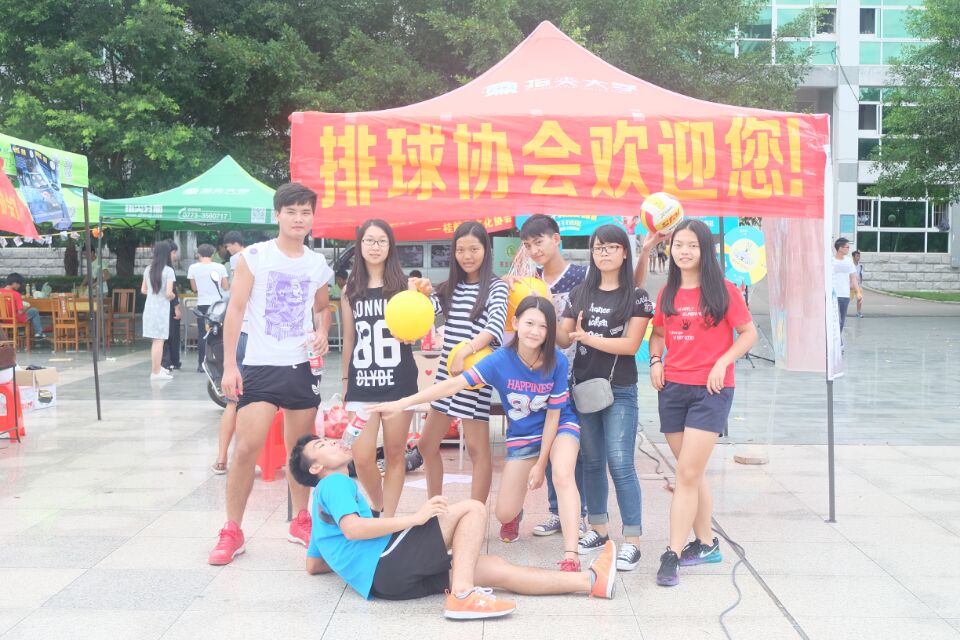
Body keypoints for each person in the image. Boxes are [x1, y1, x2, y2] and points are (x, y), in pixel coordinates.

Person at [288, 434, 618, 619]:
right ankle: (462, 596)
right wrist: (414, 519)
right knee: (472, 508)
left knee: (489, 567)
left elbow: (314, 564)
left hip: (386, 583)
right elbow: (353, 529)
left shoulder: (321, 503)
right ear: (316, 468)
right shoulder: (334, 483)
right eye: (322, 446)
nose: (332, 441)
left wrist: (352, 567)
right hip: (386, 561)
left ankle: (590, 581)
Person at [374, 297, 584, 569]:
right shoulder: (499, 360)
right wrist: (403, 403)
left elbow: (554, 415)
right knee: (503, 512)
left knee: (563, 474)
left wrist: (542, 463)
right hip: (522, 436)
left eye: (543, 326)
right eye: (529, 323)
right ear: (515, 323)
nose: (535, 331)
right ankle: (514, 514)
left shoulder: (557, 362)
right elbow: (453, 385)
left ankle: (571, 555)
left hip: (559, 427)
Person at [208, 183, 334, 565]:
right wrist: (230, 365)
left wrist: (323, 331)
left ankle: (301, 519)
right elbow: (235, 309)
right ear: (277, 215)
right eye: (291, 211)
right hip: (261, 365)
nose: (298, 219)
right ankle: (232, 529)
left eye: (305, 212)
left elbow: (323, 307)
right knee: (247, 447)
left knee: (301, 450)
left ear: (312, 217)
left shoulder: (316, 264)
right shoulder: (255, 257)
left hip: (301, 367)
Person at [648, 219, 757, 587]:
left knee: (686, 474)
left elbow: (748, 333)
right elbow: (657, 333)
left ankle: (671, 553)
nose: (684, 251)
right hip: (672, 389)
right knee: (690, 472)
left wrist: (723, 362)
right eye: (679, 244)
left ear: (704, 250)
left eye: (692, 245)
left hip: (711, 390)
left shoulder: (723, 291)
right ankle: (707, 544)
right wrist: (656, 360)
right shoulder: (667, 293)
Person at [558, 223, 654, 572]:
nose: (604, 253)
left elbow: (630, 345)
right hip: (584, 388)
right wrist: (555, 327)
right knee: (592, 461)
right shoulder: (579, 293)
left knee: (620, 461)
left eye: (611, 247)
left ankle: (632, 540)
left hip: (620, 389)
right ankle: (598, 529)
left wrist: (587, 337)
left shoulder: (636, 297)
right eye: (598, 247)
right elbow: (564, 338)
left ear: (624, 253)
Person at [416, 221, 508, 503]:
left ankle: (475, 513)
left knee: (478, 451)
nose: (467, 256)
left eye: (474, 249)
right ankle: (435, 508)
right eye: (461, 250)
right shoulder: (449, 288)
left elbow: (494, 328)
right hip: (446, 377)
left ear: (486, 250)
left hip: (473, 377)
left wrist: (465, 351)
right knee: (426, 444)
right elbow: (424, 312)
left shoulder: (496, 287)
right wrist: (418, 292)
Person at [340, 219, 423, 517]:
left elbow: (418, 329)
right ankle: (378, 506)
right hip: (362, 383)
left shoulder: (405, 287)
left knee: (395, 453)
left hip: (399, 381)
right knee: (361, 457)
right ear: (360, 246)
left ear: (390, 246)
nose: (375, 247)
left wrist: (413, 333)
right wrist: (346, 382)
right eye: (369, 241)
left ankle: (387, 520)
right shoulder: (350, 289)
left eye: (381, 241)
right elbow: (349, 339)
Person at [516, 214, 589, 538]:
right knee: (546, 441)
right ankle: (557, 512)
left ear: (556, 239)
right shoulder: (530, 281)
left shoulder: (582, 276)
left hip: (580, 371)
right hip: (543, 376)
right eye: (528, 245)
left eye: (539, 242)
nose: (534, 250)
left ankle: (581, 513)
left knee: (578, 449)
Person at [212, 231, 248, 474]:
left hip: (243, 335)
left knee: (233, 402)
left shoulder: (240, 260)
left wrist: (228, 363)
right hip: (260, 340)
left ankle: (222, 458)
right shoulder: (264, 258)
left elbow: (233, 301)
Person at [188, 244, 229, 372]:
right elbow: (225, 286)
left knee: (202, 335)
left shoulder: (193, 268)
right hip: (218, 306)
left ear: (199, 254)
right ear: (212, 254)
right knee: (220, 335)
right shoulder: (220, 267)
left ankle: (201, 365)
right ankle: (220, 364)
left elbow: (194, 288)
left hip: (203, 305)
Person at [141, 241, 177, 381]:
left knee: (155, 341)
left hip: (149, 308)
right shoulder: (168, 271)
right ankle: (155, 372)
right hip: (161, 310)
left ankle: (157, 368)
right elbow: (169, 293)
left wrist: (153, 293)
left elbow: (143, 290)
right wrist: (172, 296)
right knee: (159, 341)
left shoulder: (148, 269)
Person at [1, 273, 45, 339]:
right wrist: (26, 307)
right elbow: (20, 312)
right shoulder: (16, 294)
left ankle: (21, 331)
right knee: (34, 310)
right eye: (19, 284)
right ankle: (39, 332)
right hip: (15, 319)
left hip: (2, 320)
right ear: (15, 283)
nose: (19, 286)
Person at [832, 237, 862, 334]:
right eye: (847, 247)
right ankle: (835, 339)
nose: (848, 249)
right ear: (840, 248)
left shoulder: (849, 261)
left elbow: (853, 278)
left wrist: (858, 292)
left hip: (845, 295)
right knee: (836, 320)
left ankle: (838, 339)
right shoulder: (831, 261)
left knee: (841, 321)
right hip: (833, 295)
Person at [160, 242, 182, 372]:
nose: (175, 256)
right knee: (172, 334)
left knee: (163, 335)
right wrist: (177, 307)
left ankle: (165, 361)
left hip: (158, 307)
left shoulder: (153, 268)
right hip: (169, 306)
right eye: (173, 252)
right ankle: (172, 361)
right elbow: (172, 291)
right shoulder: (169, 270)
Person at [852, 250, 864, 318]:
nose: (858, 257)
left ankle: (858, 312)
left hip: (858, 285)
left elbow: (861, 275)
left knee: (859, 298)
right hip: (850, 285)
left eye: (859, 256)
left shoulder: (861, 266)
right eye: (857, 256)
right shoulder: (850, 265)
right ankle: (842, 312)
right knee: (846, 299)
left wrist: (861, 284)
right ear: (853, 257)